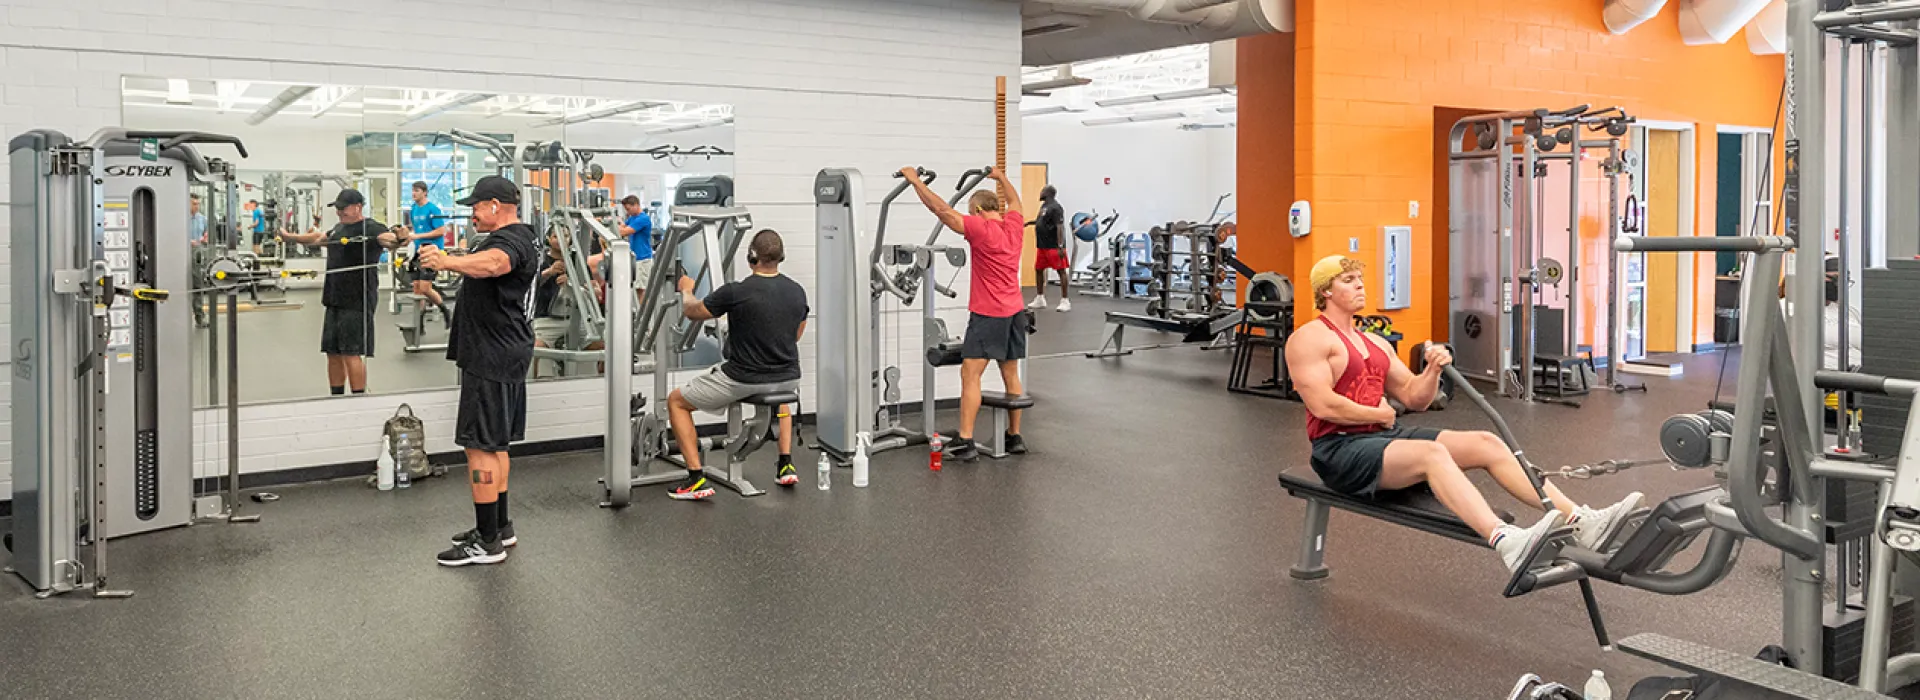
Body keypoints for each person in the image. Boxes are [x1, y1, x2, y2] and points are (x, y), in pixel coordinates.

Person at [1285, 254, 1642, 572]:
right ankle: (1506, 542)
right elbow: (1322, 405)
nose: (1360, 285)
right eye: (1347, 280)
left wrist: (1432, 370)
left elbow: (1415, 398)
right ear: (1326, 292)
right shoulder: (1310, 338)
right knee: (1432, 453)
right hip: (1338, 451)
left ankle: (1580, 520)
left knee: (1486, 442)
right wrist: (1378, 415)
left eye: (1360, 278)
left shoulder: (1374, 342)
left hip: (1381, 438)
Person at [417, 175, 539, 566]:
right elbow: (486, 258)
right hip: (501, 351)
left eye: (475, 206)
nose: (472, 213)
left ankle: (487, 543)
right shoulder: (517, 236)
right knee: (495, 443)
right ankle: (499, 527)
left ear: (493, 206)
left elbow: (494, 264)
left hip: (493, 355)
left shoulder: (510, 241)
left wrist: (447, 261)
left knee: (480, 447)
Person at [664, 229, 808, 500]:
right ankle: (785, 463)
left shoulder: (735, 292)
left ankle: (695, 478)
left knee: (676, 401)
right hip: (789, 378)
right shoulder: (797, 292)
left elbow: (692, 311)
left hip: (743, 379)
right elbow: (795, 335)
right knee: (780, 398)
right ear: (781, 257)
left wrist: (686, 290)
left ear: (751, 256)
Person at [902, 165, 1028, 461]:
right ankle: (1015, 437)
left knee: (970, 374)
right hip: (1014, 310)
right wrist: (1002, 178)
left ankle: (966, 441)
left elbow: (941, 211)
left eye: (972, 211)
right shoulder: (1014, 226)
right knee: (1010, 372)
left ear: (979, 210)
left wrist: (914, 180)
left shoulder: (982, 230)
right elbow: (1016, 202)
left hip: (988, 313)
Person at [277, 189, 400, 395]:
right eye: (337, 208)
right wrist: (291, 237)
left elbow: (389, 239)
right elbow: (318, 239)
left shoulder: (371, 227)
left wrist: (400, 238)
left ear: (358, 207)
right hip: (334, 298)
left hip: (357, 300)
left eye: (343, 208)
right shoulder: (338, 228)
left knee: (352, 353)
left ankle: (359, 399)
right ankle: (336, 397)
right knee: (332, 352)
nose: (339, 212)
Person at [393, 181, 455, 323]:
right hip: (418, 251)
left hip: (432, 251)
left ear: (425, 192)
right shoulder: (414, 208)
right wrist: (406, 238)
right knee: (416, 288)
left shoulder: (433, 209)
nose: (414, 193)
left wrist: (417, 236)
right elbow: (416, 230)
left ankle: (445, 311)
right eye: (412, 190)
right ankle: (419, 322)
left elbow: (441, 231)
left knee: (425, 288)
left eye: (417, 190)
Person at [1026, 185, 1070, 312]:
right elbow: (1043, 222)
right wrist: (1030, 223)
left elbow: (1059, 226)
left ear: (1048, 193)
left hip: (1054, 246)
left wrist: (1060, 245)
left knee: (1061, 271)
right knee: (1038, 269)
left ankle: (1065, 300)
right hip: (1042, 245)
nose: (1040, 192)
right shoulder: (1045, 206)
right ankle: (1040, 298)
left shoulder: (1056, 207)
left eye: (1042, 191)